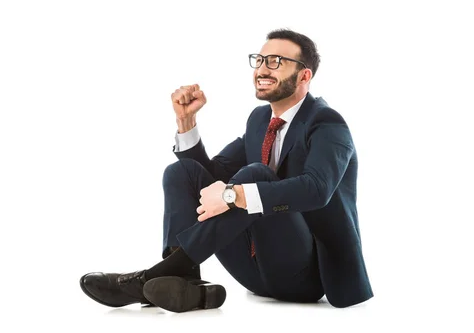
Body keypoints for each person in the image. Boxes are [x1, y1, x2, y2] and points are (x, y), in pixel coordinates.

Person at [80, 29, 373, 312]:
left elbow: (317, 189)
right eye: (259, 60)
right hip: (254, 272)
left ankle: (148, 278)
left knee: (253, 176)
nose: (262, 69)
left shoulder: (327, 123)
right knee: (181, 173)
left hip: (306, 277)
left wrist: (234, 195)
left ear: (304, 75)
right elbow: (210, 174)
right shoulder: (259, 120)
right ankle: (184, 280)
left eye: (276, 62)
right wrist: (187, 123)